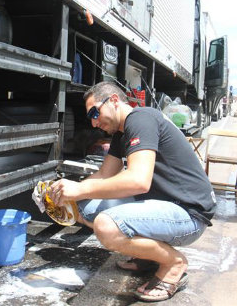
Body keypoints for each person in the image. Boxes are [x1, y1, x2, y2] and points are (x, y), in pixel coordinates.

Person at [49, 81, 216, 302]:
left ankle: (173, 263)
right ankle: (148, 256)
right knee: (87, 208)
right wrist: (68, 193)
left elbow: (139, 181)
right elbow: (104, 175)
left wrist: (80, 188)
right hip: (167, 204)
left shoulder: (141, 118)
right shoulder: (122, 133)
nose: (93, 121)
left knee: (106, 226)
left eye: (94, 112)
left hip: (189, 214)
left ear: (115, 101)